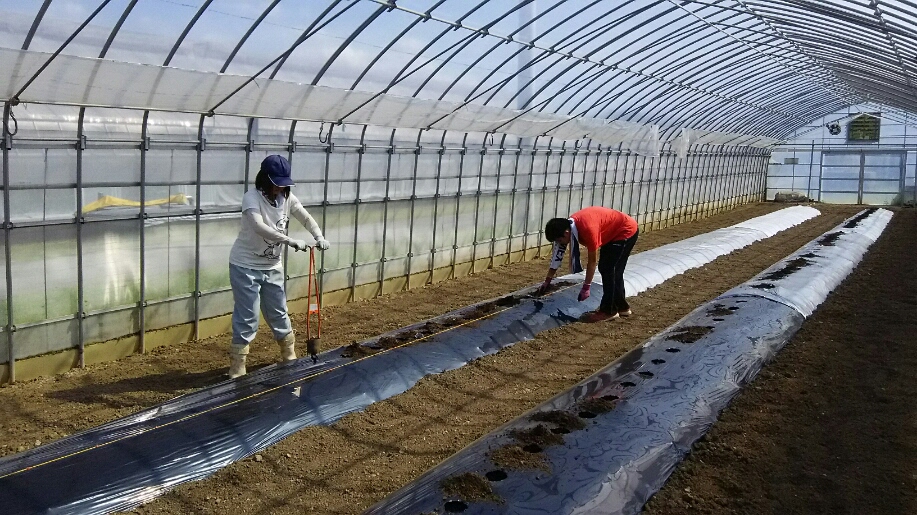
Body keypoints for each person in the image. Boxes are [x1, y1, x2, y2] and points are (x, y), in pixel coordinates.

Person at [227, 154, 330, 378]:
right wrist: (288, 240)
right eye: (276, 183)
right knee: (248, 315)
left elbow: (305, 217)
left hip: (272, 266)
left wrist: (318, 235)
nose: (280, 188)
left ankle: (289, 354)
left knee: (279, 312)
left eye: (283, 184)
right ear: (265, 179)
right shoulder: (251, 198)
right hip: (245, 265)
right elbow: (258, 225)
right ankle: (237, 366)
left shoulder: (287, 198)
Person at [538, 206, 639, 323]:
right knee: (612, 270)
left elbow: (592, 262)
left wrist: (586, 287)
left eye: (559, 241)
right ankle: (622, 307)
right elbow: (557, 256)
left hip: (625, 231)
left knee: (608, 268)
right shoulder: (569, 228)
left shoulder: (588, 230)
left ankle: (609, 311)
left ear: (566, 234)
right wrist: (547, 281)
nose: (559, 244)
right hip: (611, 233)